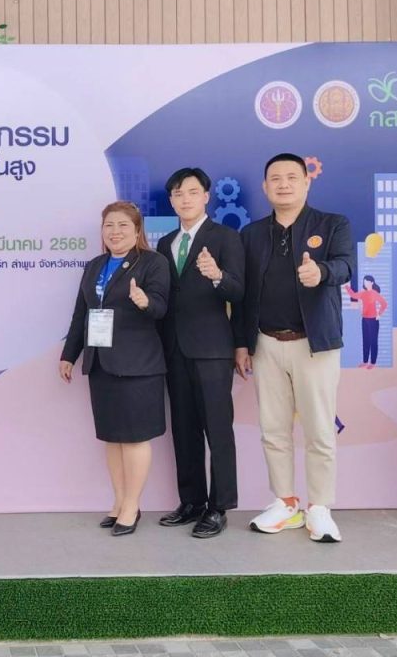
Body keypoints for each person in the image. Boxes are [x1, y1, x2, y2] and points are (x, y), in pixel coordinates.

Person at [233, 153, 353, 543]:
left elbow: (347, 266)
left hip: (314, 345)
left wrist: (322, 272)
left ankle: (319, 508)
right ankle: (285, 503)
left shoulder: (332, 224)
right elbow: (244, 294)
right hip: (266, 344)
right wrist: (242, 343)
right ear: (265, 187)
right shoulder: (251, 234)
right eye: (275, 178)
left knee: (319, 430)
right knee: (273, 429)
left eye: (291, 177)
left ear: (306, 182)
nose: (283, 184)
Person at [59, 201, 170, 537]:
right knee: (112, 438)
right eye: (109, 225)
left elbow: (162, 307)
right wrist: (69, 355)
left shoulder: (153, 262)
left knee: (134, 439)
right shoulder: (95, 266)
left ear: (137, 231)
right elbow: (81, 314)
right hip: (101, 364)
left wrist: (145, 302)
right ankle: (119, 501)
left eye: (123, 225)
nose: (115, 231)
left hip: (138, 366)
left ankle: (133, 506)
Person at [156, 168, 244, 538]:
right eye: (178, 193)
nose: (185, 199)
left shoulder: (225, 237)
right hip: (174, 349)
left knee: (217, 429)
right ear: (171, 200)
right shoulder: (165, 243)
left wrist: (217, 275)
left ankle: (219, 507)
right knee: (184, 428)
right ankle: (191, 501)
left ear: (206, 196)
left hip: (212, 349)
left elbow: (239, 292)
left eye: (192, 192)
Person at [344, 276, 388, 369]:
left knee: (373, 341)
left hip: (373, 321)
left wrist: (379, 314)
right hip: (364, 320)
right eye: (364, 282)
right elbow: (353, 295)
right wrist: (346, 286)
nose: (365, 284)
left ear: (372, 283)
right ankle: (365, 361)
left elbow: (384, 304)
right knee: (366, 341)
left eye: (367, 282)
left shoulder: (375, 293)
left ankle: (373, 362)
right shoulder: (363, 293)